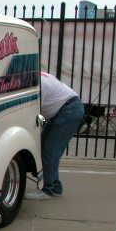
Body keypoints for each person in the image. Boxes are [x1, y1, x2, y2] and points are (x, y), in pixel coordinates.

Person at [25, 72, 84, 200]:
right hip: (68, 108)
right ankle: (55, 187)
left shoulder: (37, 84)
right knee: (46, 148)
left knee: (50, 150)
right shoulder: (38, 76)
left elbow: (34, 113)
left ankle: (49, 189)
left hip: (68, 111)